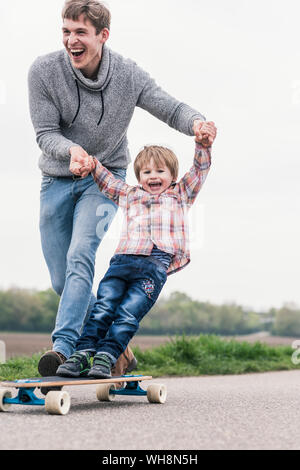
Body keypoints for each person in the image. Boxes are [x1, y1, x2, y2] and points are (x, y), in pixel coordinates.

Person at [28, 0, 214, 377]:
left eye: (80, 32)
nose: (71, 40)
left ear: (103, 36)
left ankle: (62, 349)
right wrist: (73, 152)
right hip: (57, 178)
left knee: (81, 255)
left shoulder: (127, 75)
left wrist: (197, 123)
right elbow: (46, 133)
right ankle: (118, 350)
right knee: (62, 278)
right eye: (66, 31)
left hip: (105, 178)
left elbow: (168, 105)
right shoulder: (44, 72)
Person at [56, 121, 216, 378]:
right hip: (121, 263)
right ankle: (82, 354)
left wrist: (203, 145)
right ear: (139, 176)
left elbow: (199, 170)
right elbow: (107, 181)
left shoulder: (180, 194)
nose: (153, 177)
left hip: (153, 266)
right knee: (103, 308)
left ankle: (106, 357)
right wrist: (92, 164)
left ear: (172, 176)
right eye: (146, 172)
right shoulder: (130, 194)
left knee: (127, 315)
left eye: (160, 171)